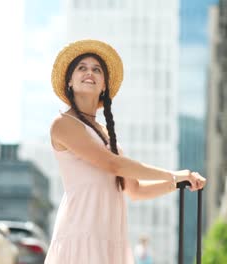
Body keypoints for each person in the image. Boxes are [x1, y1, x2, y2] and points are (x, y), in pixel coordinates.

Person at [44, 39, 206, 264]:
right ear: (69, 81)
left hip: (110, 238)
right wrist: (175, 174)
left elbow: (135, 189)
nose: (89, 72)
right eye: (82, 68)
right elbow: (114, 165)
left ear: (104, 86)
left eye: (96, 69)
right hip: (81, 234)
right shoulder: (63, 124)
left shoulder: (105, 134)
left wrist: (180, 182)